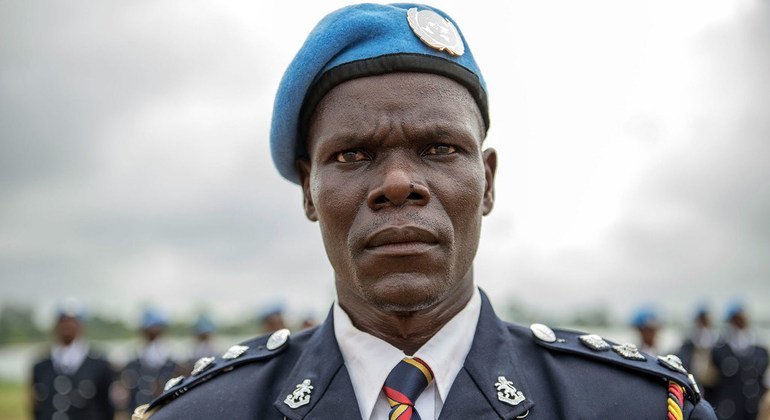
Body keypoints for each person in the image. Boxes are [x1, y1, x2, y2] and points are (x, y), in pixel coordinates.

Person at [134, 3, 717, 419]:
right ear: (309, 191)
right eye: (352, 154)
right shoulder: (206, 411)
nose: (397, 184)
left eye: (439, 149)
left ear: (487, 182)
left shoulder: (632, 406)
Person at [30, 307, 115, 420]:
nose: (67, 326)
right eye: (63, 321)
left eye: (72, 322)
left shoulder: (99, 364)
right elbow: (37, 407)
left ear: (82, 326)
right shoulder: (41, 366)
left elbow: (107, 407)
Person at [710, 302, 769, 419]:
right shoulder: (719, 352)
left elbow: (765, 384)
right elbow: (710, 382)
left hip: (754, 411)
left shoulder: (760, 352)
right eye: (735, 320)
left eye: (741, 320)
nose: (739, 324)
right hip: (728, 410)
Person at [119, 309, 180, 413]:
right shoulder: (133, 362)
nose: (153, 333)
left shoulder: (172, 363)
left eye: (157, 331)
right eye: (149, 331)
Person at [678, 305, 719, 399]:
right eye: (701, 320)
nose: (703, 323)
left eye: (705, 320)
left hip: (712, 388)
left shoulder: (717, 342)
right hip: (694, 382)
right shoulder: (689, 343)